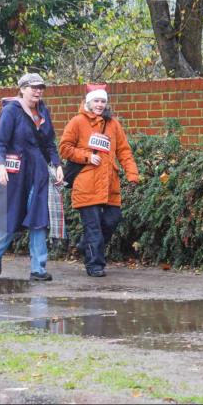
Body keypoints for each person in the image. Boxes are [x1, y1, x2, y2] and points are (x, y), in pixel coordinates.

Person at [0, 73, 63, 281]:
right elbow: (0, 143)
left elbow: (50, 143)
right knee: (13, 218)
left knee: (39, 219)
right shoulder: (11, 111)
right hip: (16, 174)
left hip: (39, 173)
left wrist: (57, 164)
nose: (38, 91)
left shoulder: (43, 111)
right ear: (22, 89)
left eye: (41, 88)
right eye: (33, 87)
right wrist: (0, 166)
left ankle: (38, 269)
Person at [59, 85, 139, 277]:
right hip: (86, 183)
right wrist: (87, 156)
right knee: (93, 227)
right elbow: (64, 148)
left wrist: (132, 173)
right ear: (88, 102)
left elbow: (124, 151)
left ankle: (85, 244)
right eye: (96, 101)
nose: (100, 105)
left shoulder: (113, 124)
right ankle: (95, 265)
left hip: (109, 184)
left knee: (112, 220)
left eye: (103, 101)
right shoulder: (77, 122)